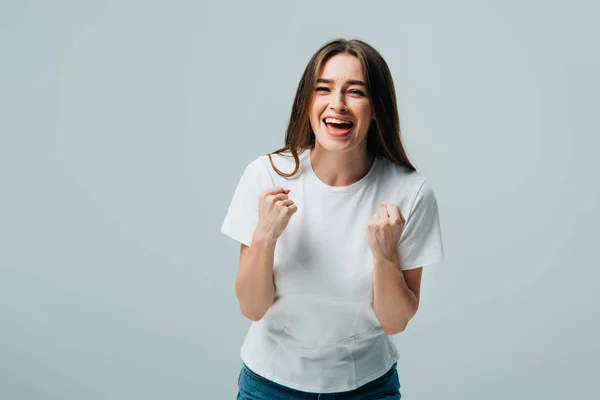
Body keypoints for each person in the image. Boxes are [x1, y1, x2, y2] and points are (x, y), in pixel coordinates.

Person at [220, 38, 444, 399]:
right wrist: (264, 237)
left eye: (355, 91)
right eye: (323, 89)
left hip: (367, 386)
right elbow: (252, 306)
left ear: (377, 107)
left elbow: (395, 321)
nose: (337, 104)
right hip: (270, 385)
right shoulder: (266, 176)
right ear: (307, 102)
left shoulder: (410, 193)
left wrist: (385, 256)